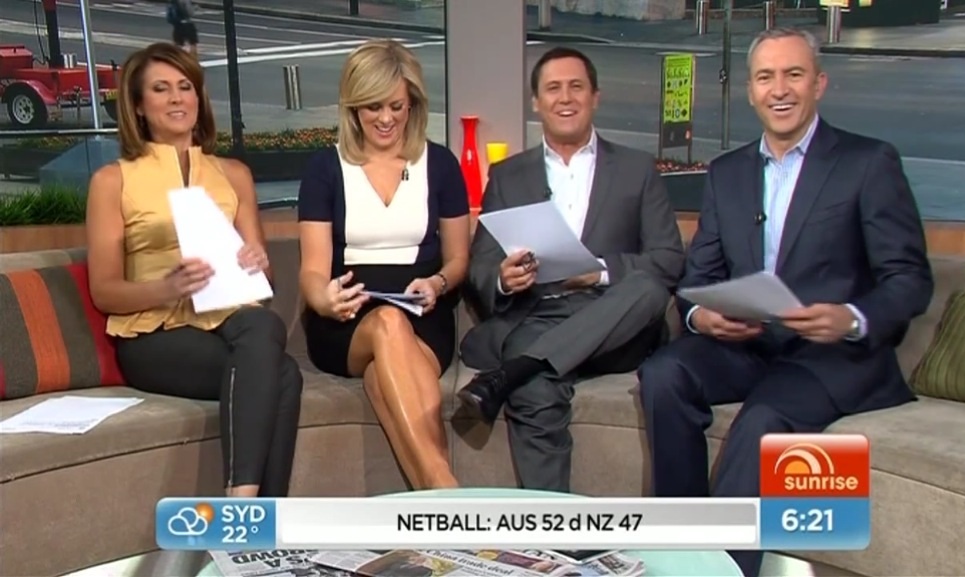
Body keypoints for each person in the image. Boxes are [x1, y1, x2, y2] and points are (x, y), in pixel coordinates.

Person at [636, 27, 933, 577]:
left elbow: (909, 278)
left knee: (764, 419)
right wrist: (704, 316)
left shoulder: (868, 162)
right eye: (766, 77)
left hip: (832, 356)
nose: (780, 90)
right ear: (750, 91)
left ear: (818, 83)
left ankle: (719, 570)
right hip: (747, 345)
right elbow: (698, 277)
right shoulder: (727, 173)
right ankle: (679, 543)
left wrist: (851, 318)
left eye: (794, 74)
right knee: (663, 374)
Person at [457, 46, 686, 492]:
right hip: (536, 315)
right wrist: (503, 277)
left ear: (595, 97)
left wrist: (598, 272)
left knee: (647, 288)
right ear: (536, 102)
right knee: (535, 389)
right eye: (553, 89)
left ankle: (516, 369)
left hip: (613, 322)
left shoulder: (637, 169)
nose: (565, 98)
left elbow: (669, 258)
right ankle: (552, 527)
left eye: (576, 87)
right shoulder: (507, 175)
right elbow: (480, 263)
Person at [86, 42, 303, 497]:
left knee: (263, 325)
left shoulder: (233, 174)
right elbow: (104, 291)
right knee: (283, 375)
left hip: (228, 320)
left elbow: (265, 283)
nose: (176, 98)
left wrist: (257, 265)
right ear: (138, 106)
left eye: (185, 87)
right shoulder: (112, 181)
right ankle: (255, 515)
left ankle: (241, 508)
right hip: (154, 335)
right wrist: (169, 287)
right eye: (160, 89)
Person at [296, 40, 470, 490]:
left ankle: (436, 499)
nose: (386, 118)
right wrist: (325, 300)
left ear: (413, 104)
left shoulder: (440, 164)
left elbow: (459, 259)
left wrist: (438, 282)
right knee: (389, 322)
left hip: (426, 319)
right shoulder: (325, 168)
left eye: (396, 106)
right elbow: (312, 271)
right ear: (353, 108)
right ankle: (447, 489)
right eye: (374, 106)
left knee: (383, 376)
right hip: (346, 324)